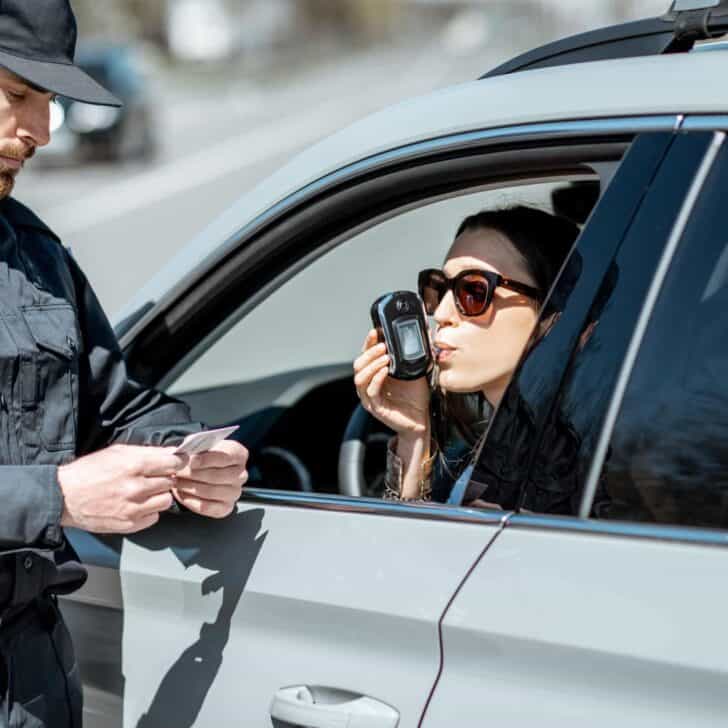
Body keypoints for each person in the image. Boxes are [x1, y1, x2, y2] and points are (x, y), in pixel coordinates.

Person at [0, 2, 249, 726]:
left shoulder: (35, 253)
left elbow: (119, 408)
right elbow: (64, 487)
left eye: (48, 102)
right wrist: (61, 498)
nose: (43, 131)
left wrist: (188, 456)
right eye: (19, 94)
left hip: (34, 682)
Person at [354, 205, 579, 506]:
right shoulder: (494, 445)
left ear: (551, 316)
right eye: (439, 289)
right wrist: (414, 436)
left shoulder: (577, 463)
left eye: (473, 291)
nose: (441, 313)